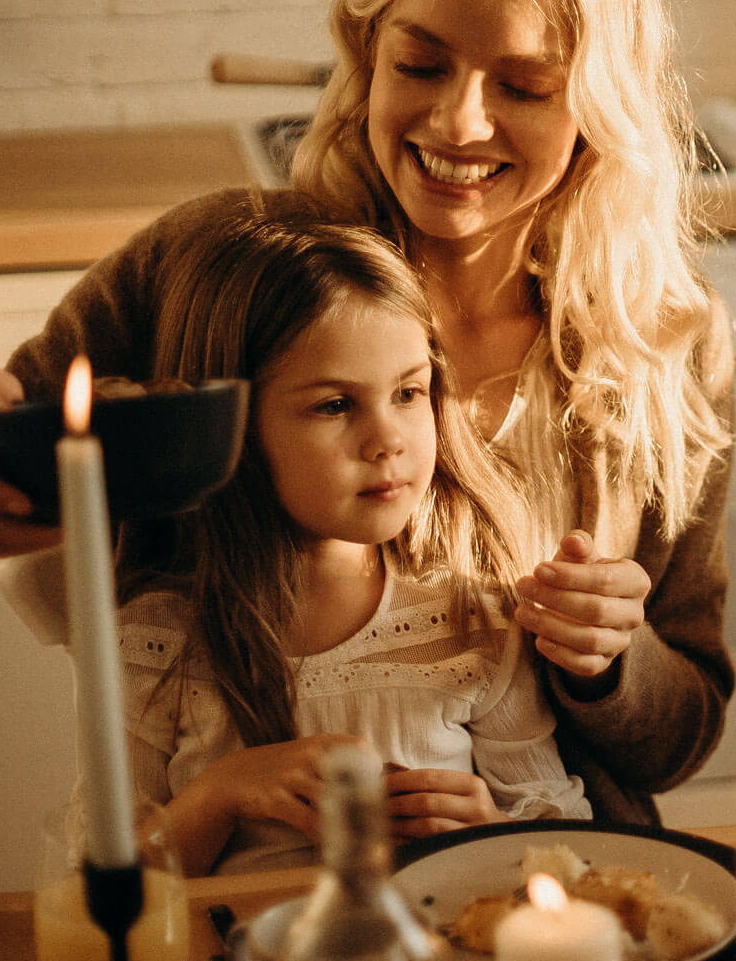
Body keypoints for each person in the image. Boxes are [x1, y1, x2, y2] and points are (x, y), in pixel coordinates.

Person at [0, 0, 735, 823]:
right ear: (367, 48)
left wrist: (611, 661)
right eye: (420, 63)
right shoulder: (220, 273)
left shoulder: (662, 344)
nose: (461, 120)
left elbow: (681, 737)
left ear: (598, 104)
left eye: (524, 85)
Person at [101, 213, 591, 874]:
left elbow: (560, 841)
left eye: (409, 392)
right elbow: (101, 889)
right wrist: (219, 795)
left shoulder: (473, 621)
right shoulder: (159, 642)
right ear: (231, 428)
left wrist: (488, 835)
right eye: (335, 405)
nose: (387, 438)